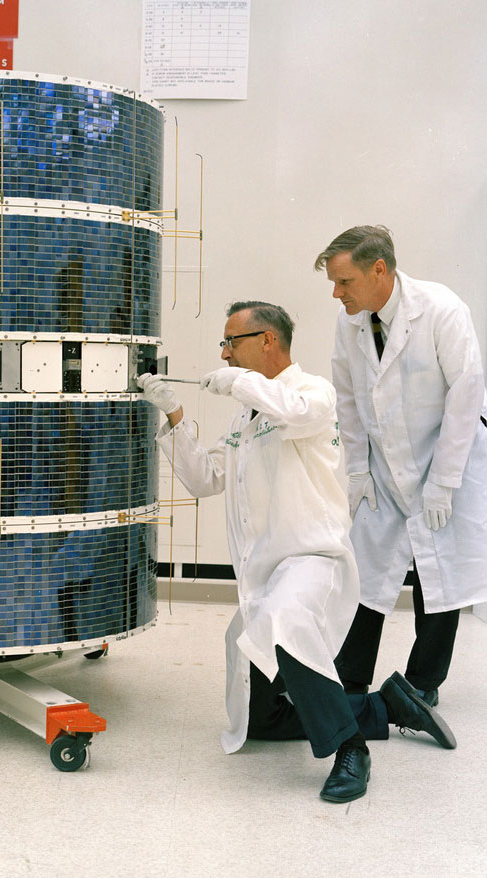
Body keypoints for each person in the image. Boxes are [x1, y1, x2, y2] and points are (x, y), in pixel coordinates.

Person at [138, 300, 456, 805]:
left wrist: (235, 381)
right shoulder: (247, 416)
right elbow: (204, 479)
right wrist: (174, 415)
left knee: (288, 621)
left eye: (230, 342)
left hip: (313, 560)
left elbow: (292, 412)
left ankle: (351, 750)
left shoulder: (312, 393)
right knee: (260, 719)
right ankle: (385, 708)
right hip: (265, 574)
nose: (223, 353)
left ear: (267, 340)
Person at [315, 225, 487, 707]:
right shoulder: (350, 321)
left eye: (344, 282)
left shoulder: (441, 308)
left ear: (379, 269)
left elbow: (465, 394)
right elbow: (346, 398)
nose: (336, 293)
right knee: (365, 572)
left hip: (444, 459)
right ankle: (350, 681)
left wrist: (444, 481)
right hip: (383, 469)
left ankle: (422, 686)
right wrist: (356, 469)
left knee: (439, 578)